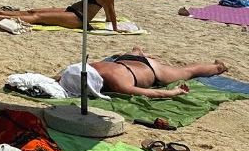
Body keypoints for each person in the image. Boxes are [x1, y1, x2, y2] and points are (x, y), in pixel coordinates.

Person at [90, 48, 227, 98]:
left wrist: (175, 92)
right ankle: (136, 52)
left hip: (151, 68)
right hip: (124, 61)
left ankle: (219, 67)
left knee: (189, 71)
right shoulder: (87, 67)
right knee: (187, 71)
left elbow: (155, 93)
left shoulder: (119, 84)